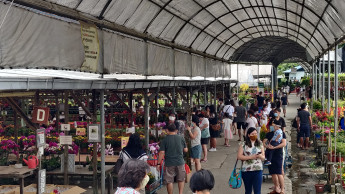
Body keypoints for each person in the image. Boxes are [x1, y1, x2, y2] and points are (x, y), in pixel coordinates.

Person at [158, 124, 188, 194]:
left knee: (169, 181)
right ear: (175, 130)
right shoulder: (181, 138)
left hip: (169, 163)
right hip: (180, 161)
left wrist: (158, 163)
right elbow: (186, 150)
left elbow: (162, 152)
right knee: (181, 179)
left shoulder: (165, 140)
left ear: (167, 130)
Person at [237, 127, 265, 194]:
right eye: (252, 134)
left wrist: (260, 156)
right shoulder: (243, 144)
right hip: (246, 170)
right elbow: (239, 156)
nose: (254, 135)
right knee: (248, 191)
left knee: (257, 191)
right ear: (248, 135)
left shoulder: (260, 143)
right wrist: (251, 157)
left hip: (258, 170)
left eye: (256, 133)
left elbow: (263, 157)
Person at [263, 125, 287, 194]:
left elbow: (284, 143)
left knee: (279, 172)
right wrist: (268, 146)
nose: (273, 127)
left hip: (278, 154)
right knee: (273, 173)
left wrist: (274, 147)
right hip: (270, 155)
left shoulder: (282, 133)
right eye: (272, 125)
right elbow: (264, 142)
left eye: (274, 125)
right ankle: (276, 188)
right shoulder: (269, 134)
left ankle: (282, 189)